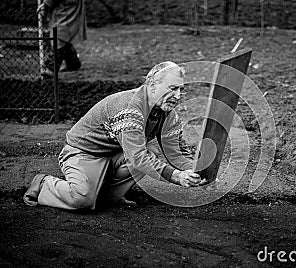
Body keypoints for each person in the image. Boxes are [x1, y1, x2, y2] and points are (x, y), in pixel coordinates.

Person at [23, 61, 204, 210]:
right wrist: (176, 176)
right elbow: (137, 157)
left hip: (115, 155)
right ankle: (43, 184)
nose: (178, 95)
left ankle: (106, 196)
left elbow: (177, 151)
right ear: (153, 85)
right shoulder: (129, 107)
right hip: (84, 153)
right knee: (81, 199)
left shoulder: (167, 111)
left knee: (151, 151)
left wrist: (197, 172)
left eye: (181, 89)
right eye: (172, 88)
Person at [37, 0, 87, 74]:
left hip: (67, 8)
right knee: (64, 35)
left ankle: (51, 68)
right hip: (68, 6)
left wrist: (46, 4)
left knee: (59, 35)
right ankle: (73, 63)